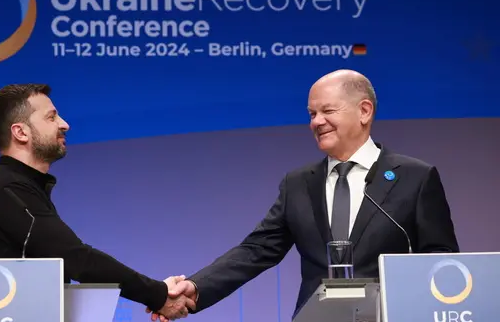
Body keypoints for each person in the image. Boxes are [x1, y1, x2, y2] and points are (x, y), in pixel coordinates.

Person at [148, 69, 460, 321]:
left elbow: (441, 261)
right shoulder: (298, 183)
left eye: (327, 111)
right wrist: (194, 288)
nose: (316, 122)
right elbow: (256, 250)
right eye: (311, 113)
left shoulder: (415, 177)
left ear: (364, 111)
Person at [0, 83, 194, 318]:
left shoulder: (18, 186)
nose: (65, 124)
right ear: (21, 132)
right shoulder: (7, 188)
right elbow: (78, 260)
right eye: (51, 117)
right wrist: (158, 294)